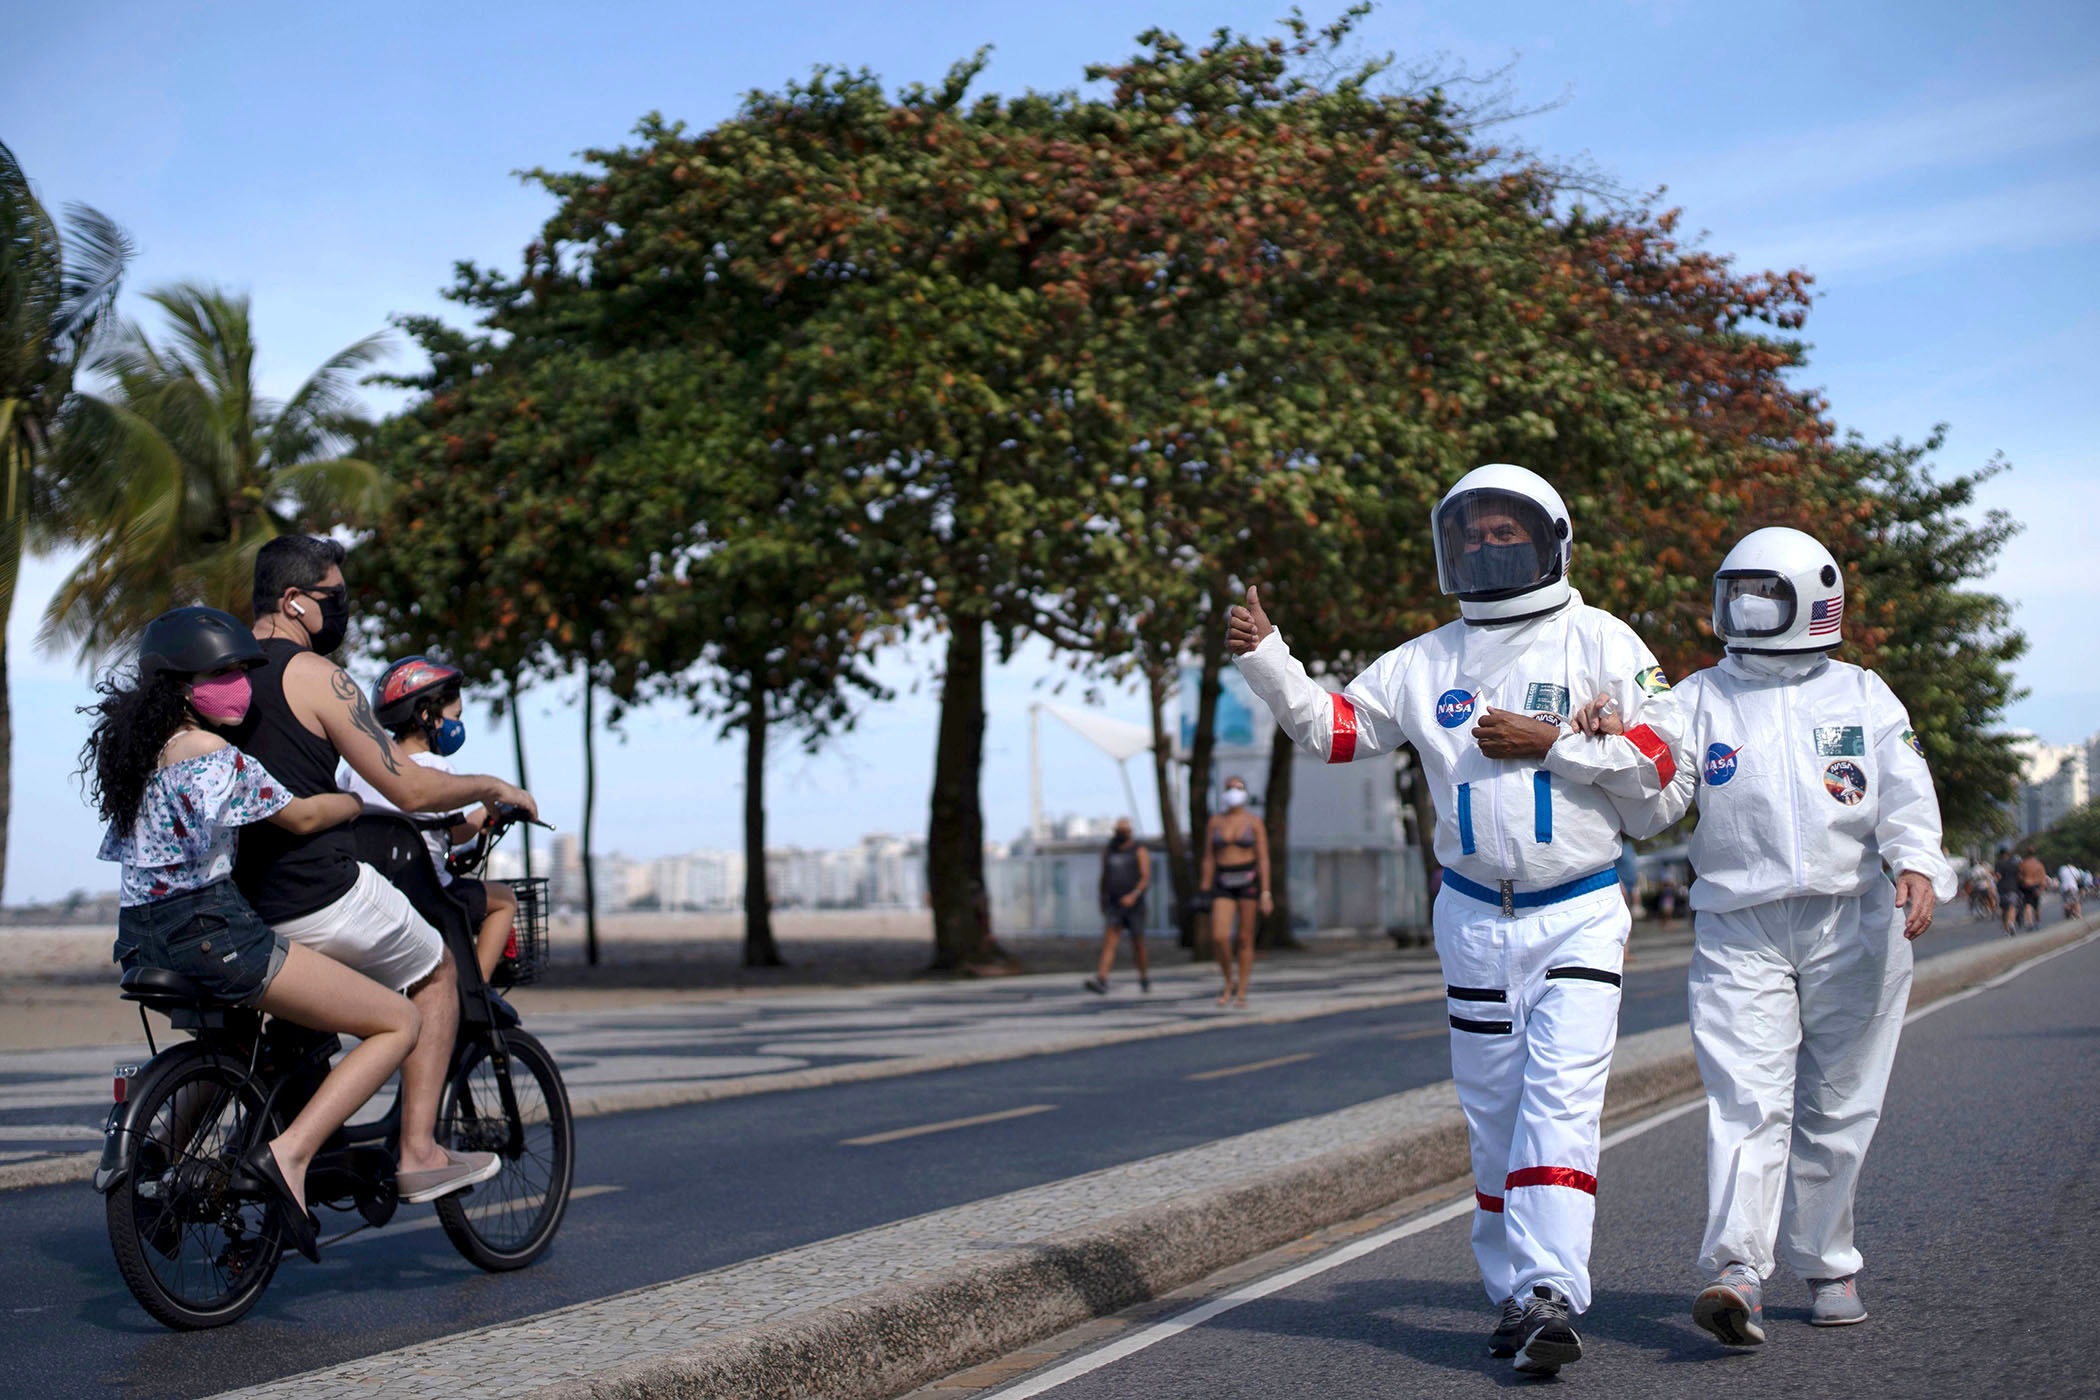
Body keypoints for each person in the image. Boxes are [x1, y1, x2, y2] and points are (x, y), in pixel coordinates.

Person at [1229, 463, 1681, 1375]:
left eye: (1505, 530)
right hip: (1472, 916)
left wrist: (1558, 740)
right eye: (1470, 532)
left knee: (1559, 1098)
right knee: (1494, 1115)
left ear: (1551, 539)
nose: (1484, 544)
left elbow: (1667, 765)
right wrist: (1268, 656)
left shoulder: (1601, 640)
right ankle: (1515, 1293)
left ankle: (1553, 1287)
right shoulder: (1425, 659)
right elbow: (1337, 730)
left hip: (1581, 909)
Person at [1616, 527, 1956, 1346]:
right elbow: (1656, 798)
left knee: (1840, 1100)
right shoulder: (1697, 697)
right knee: (1747, 1099)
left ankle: (1828, 1259)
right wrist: (1615, 746)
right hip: (1740, 925)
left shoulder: (1864, 695)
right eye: (1735, 593)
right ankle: (1738, 1269)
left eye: (1764, 592)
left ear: (1814, 597)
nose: (1745, 608)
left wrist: (1915, 861)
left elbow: (1906, 793)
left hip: (1855, 917)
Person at [81, 607, 421, 1262]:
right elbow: (299, 817)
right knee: (396, 1022)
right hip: (211, 930)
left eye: (243, 670)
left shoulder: (141, 758)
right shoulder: (209, 752)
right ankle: (289, 1158)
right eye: (222, 672)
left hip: (140, 936)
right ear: (181, 683)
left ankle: (156, 1165)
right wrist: (357, 800)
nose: (238, 683)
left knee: (237, 1040)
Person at [230, 536, 537, 1205]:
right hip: (317, 892)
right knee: (435, 975)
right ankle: (419, 1153)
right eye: (332, 597)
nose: (340, 610)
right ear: (293, 602)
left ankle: (166, 1161)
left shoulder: (219, 673)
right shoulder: (317, 677)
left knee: (266, 1034)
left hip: (238, 901)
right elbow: (412, 792)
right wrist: (490, 785)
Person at [339, 656, 518, 984]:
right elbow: (457, 832)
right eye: (455, 717)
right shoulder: (438, 771)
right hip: (427, 892)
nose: (458, 725)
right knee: (504, 900)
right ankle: (476, 989)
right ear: (426, 715)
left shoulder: (358, 770)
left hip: (373, 894)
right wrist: (485, 816)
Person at [1199, 775, 1271, 1007]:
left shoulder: (1254, 822)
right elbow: (1208, 857)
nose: (1233, 791)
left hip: (1247, 880)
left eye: (1238, 787)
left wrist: (1266, 892)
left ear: (1245, 792)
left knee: (1244, 937)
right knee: (1219, 936)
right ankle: (1228, 980)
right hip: (1222, 881)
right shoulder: (1215, 822)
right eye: (1229, 787)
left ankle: (1242, 988)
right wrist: (1204, 888)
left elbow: (1263, 859)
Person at [1085, 818, 1151, 995]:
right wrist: (1102, 898)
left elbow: (1145, 877)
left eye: (1125, 831)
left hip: (1135, 905)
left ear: (1130, 832)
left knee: (1138, 943)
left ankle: (1144, 977)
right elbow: (1104, 876)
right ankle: (1102, 978)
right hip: (1114, 903)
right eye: (1119, 831)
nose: (1121, 834)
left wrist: (1134, 895)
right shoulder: (1109, 851)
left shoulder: (1139, 850)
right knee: (1109, 941)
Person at [1995, 846, 2024, 936]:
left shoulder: (1999, 864)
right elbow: (2019, 876)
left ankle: (2006, 929)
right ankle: (2011, 923)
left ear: (2000, 855)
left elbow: (1998, 876)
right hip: (2013, 888)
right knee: (2012, 907)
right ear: (2008, 854)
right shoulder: (2014, 864)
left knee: (2004, 910)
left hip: (2002, 889)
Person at [2017, 850, 2048, 930]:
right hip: (2037, 885)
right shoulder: (2039, 864)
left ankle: (2030, 923)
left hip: (2027, 885)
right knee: (2036, 906)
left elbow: (2019, 876)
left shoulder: (2023, 864)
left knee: (2027, 905)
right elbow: (2043, 877)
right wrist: (2042, 888)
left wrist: (2022, 883)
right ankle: (2037, 922)